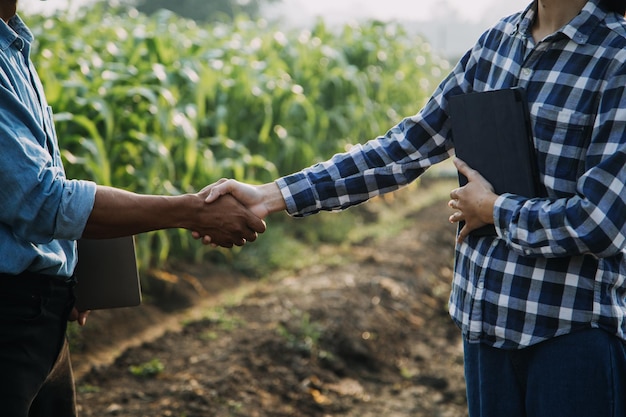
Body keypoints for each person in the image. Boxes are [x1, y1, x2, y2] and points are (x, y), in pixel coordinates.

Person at [203, 0, 626, 416]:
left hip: (571, 336)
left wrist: (495, 209)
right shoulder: (497, 42)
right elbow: (405, 147)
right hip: (485, 327)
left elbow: (601, 221)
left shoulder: (615, 57)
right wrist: (273, 195)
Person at [0, 1, 266, 416]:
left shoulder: (12, 43)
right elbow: (40, 198)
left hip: (38, 316)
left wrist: (66, 275)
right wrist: (191, 211)